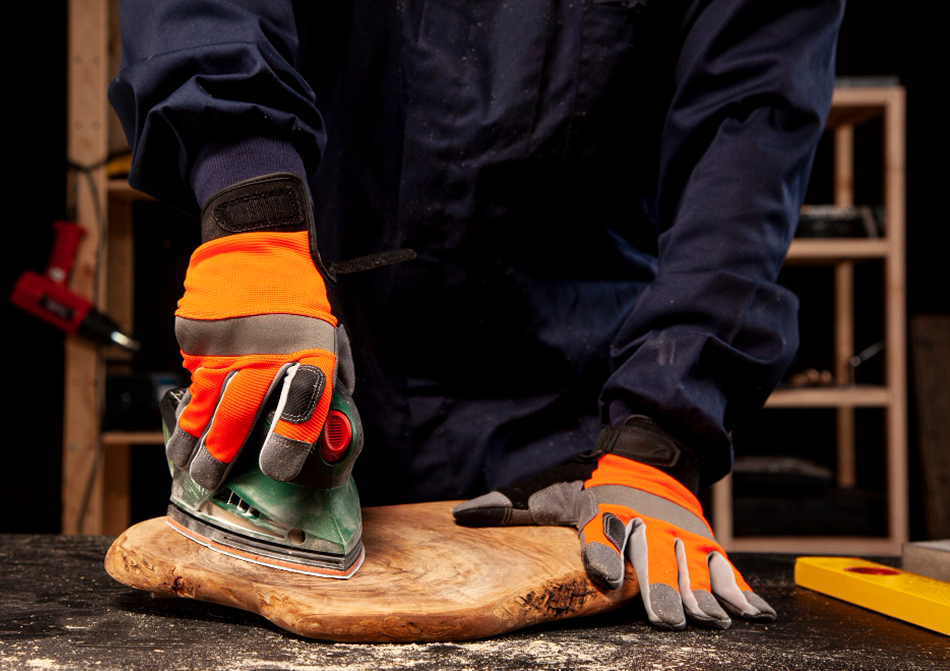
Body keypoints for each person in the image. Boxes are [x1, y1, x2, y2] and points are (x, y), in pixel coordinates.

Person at [109, 0, 845, 630]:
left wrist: (663, 428)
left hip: (579, 442)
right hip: (302, 341)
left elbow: (749, 129)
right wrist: (252, 207)